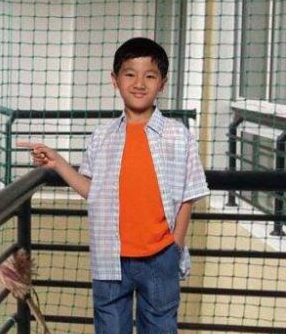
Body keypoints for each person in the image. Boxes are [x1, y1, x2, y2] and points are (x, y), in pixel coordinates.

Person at [18, 37, 209, 333]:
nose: (139, 83)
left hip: (161, 258)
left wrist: (176, 245)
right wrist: (58, 162)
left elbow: (190, 193)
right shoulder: (102, 137)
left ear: (163, 83)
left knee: (160, 327)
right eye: (130, 74)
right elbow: (92, 191)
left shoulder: (178, 135)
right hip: (110, 257)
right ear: (115, 80)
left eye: (150, 75)